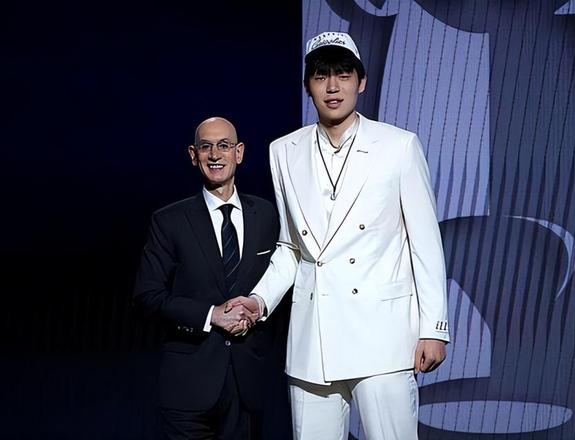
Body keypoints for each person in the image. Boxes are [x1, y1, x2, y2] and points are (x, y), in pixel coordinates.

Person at [228, 32, 450, 439]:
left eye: (343, 75)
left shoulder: (398, 146)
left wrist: (433, 329)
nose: (332, 86)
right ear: (308, 85)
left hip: (382, 336)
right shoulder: (284, 151)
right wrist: (259, 301)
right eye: (321, 76)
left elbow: (425, 245)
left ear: (361, 82)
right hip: (313, 340)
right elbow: (292, 247)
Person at [133, 117, 287, 439]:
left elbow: (282, 278)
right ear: (194, 155)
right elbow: (148, 295)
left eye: (224, 146)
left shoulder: (266, 215)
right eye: (206, 147)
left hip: (248, 387)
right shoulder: (169, 221)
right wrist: (211, 315)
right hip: (188, 387)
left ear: (239, 152)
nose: (215, 154)